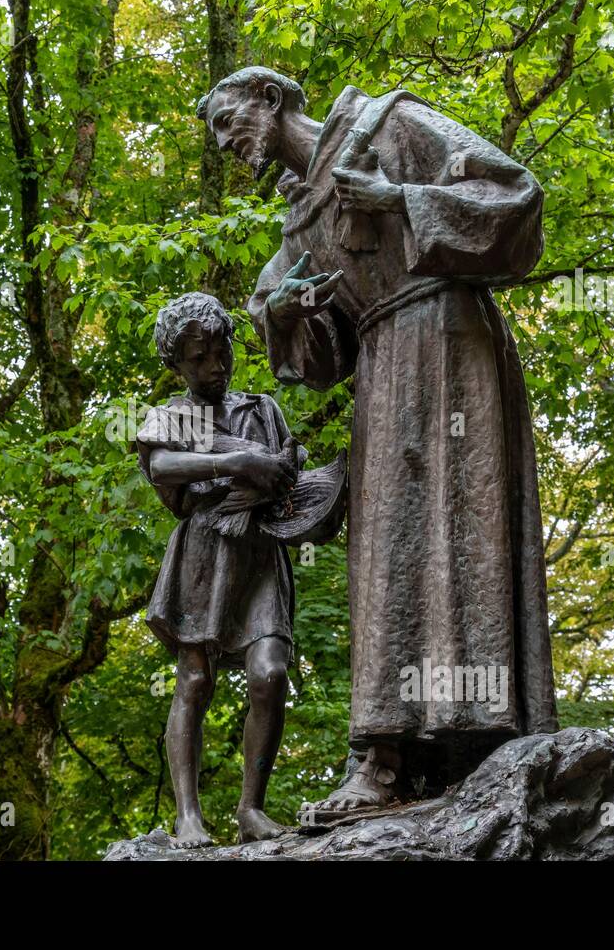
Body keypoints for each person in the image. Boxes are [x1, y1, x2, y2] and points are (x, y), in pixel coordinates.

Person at [198, 67, 559, 816]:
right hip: (384, 372)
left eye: (231, 120)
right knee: (389, 552)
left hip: (453, 348)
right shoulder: (299, 224)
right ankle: (387, 757)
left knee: (462, 529)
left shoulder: (389, 126)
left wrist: (402, 199)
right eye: (217, 134)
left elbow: (514, 196)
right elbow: (317, 361)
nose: (227, 141)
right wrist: (289, 317)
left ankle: (480, 737)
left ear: (270, 100)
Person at [136, 291, 300, 846]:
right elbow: (163, 465)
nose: (214, 365)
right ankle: (188, 815)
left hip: (259, 551)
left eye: (220, 350)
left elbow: (288, 486)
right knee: (196, 679)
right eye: (197, 357)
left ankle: (251, 809)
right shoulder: (171, 416)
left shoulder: (262, 410)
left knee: (270, 672)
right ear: (176, 363)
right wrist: (239, 460)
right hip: (202, 556)